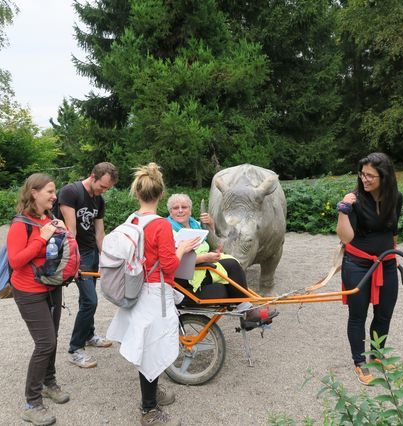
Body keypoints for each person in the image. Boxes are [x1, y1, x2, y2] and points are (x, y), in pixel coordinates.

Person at [106, 163, 198, 426]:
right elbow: (169, 265)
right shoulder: (160, 226)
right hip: (155, 292)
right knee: (153, 345)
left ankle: (152, 394)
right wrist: (182, 249)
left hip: (135, 289)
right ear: (161, 195)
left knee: (145, 343)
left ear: (137, 194)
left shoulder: (132, 219)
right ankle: (149, 410)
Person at [7, 173, 70, 426]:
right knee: (45, 342)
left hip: (51, 287)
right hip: (28, 291)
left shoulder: (50, 219)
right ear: (34, 192)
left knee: (52, 338)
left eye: (54, 192)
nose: (55, 196)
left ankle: (48, 382)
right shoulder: (20, 224)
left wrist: (64, 234)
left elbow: (58, 253)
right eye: (50, 192)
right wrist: (42, 238)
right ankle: (32, 403)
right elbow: (16, 260)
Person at [335, 152, 403, 386]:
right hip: (357, 265)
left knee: (384, 313)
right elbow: (346, 236)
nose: (365, 179)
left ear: (384, 177)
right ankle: (359, 362)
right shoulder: (354, 200)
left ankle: (378, 355)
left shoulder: (396, 198)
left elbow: (393, 231)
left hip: (387, 263)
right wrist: (344, 211)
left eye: (370, 176)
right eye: (362, 174)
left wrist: (394, 254)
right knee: (358, 316)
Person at [166, 194, 278, 326]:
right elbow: (173, 261)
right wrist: (204, 257)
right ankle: (247, 311)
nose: (180, 210)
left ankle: (248, 309)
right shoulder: (168, 228)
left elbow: (212, 243)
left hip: (202, 266)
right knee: (231, 265)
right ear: (170, 212)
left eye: (184, 207)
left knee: (232, 261)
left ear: (190, 210)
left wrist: (211, 225)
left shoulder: (195, 224)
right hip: (187, 274)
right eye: (175, 208)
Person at [59, 162, 118, 368]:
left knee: (88, 298)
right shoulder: (70, 192)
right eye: (102, 186)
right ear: (93, 176)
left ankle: (89, 335)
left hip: (92, 252)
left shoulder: (99, 200)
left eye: (107, 188)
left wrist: (105, 258)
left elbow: (99, 232)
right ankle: (75, 348)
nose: (104, 191)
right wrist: (73, 261)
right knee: (90, 301)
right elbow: (70, 231)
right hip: (78, 254)